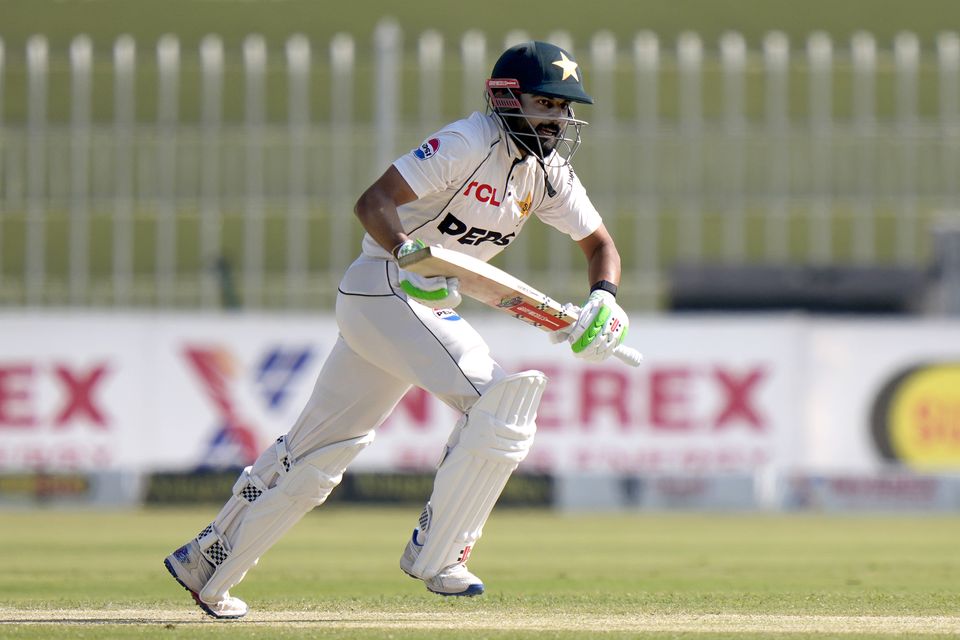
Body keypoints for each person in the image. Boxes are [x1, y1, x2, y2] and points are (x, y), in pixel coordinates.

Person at [163, 40, 630, 619]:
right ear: (507, 100)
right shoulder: (467, 141)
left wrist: (604, 299)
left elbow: (599, 245)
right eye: (545, 104)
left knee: (318, 452)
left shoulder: (548, 173)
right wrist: (410, 254)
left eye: (564, 109)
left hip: (408, 305)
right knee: (504, 402)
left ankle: (208, 561)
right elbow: (373, 202)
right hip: (385, 283)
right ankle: (440, 554)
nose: (558, 120)